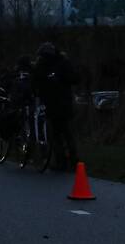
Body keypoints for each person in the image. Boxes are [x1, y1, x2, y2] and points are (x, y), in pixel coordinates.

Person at [32, 42, 80, 172]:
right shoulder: (51, 64)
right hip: (55, 104)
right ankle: (65, 161)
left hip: (60, 103)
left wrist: (58, 79)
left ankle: (70, 161)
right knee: (60, 134)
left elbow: (74, 78)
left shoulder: (60, 64)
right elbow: (36, 81)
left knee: (62, 133)